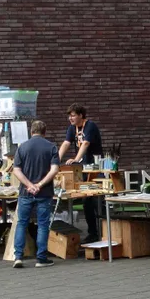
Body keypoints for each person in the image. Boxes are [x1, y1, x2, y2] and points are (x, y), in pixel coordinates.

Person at [12, 120, 60, 268]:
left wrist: (29, 185)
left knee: (21, 223)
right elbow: (54, 170)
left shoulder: (22, 148)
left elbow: (16, 170)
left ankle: (18, 257)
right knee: (43, 224)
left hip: (25, 192)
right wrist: (39, 184)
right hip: (44, 192)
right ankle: (41, 258)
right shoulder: (51, 147)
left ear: (31, 132)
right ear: (44, 132)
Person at [58, 104, 102, 243]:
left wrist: (76, 159)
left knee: (97, 200)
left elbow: (86, 143)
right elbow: (66, 143)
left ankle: (105, 231)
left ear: (81, 115)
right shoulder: (72, 128)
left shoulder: (90, 126)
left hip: (95, 168)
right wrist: (56, 160)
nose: (70, 118)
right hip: (82, 170)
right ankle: (93, 233)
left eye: (73, 115)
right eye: (69, 116)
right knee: (86, 201)